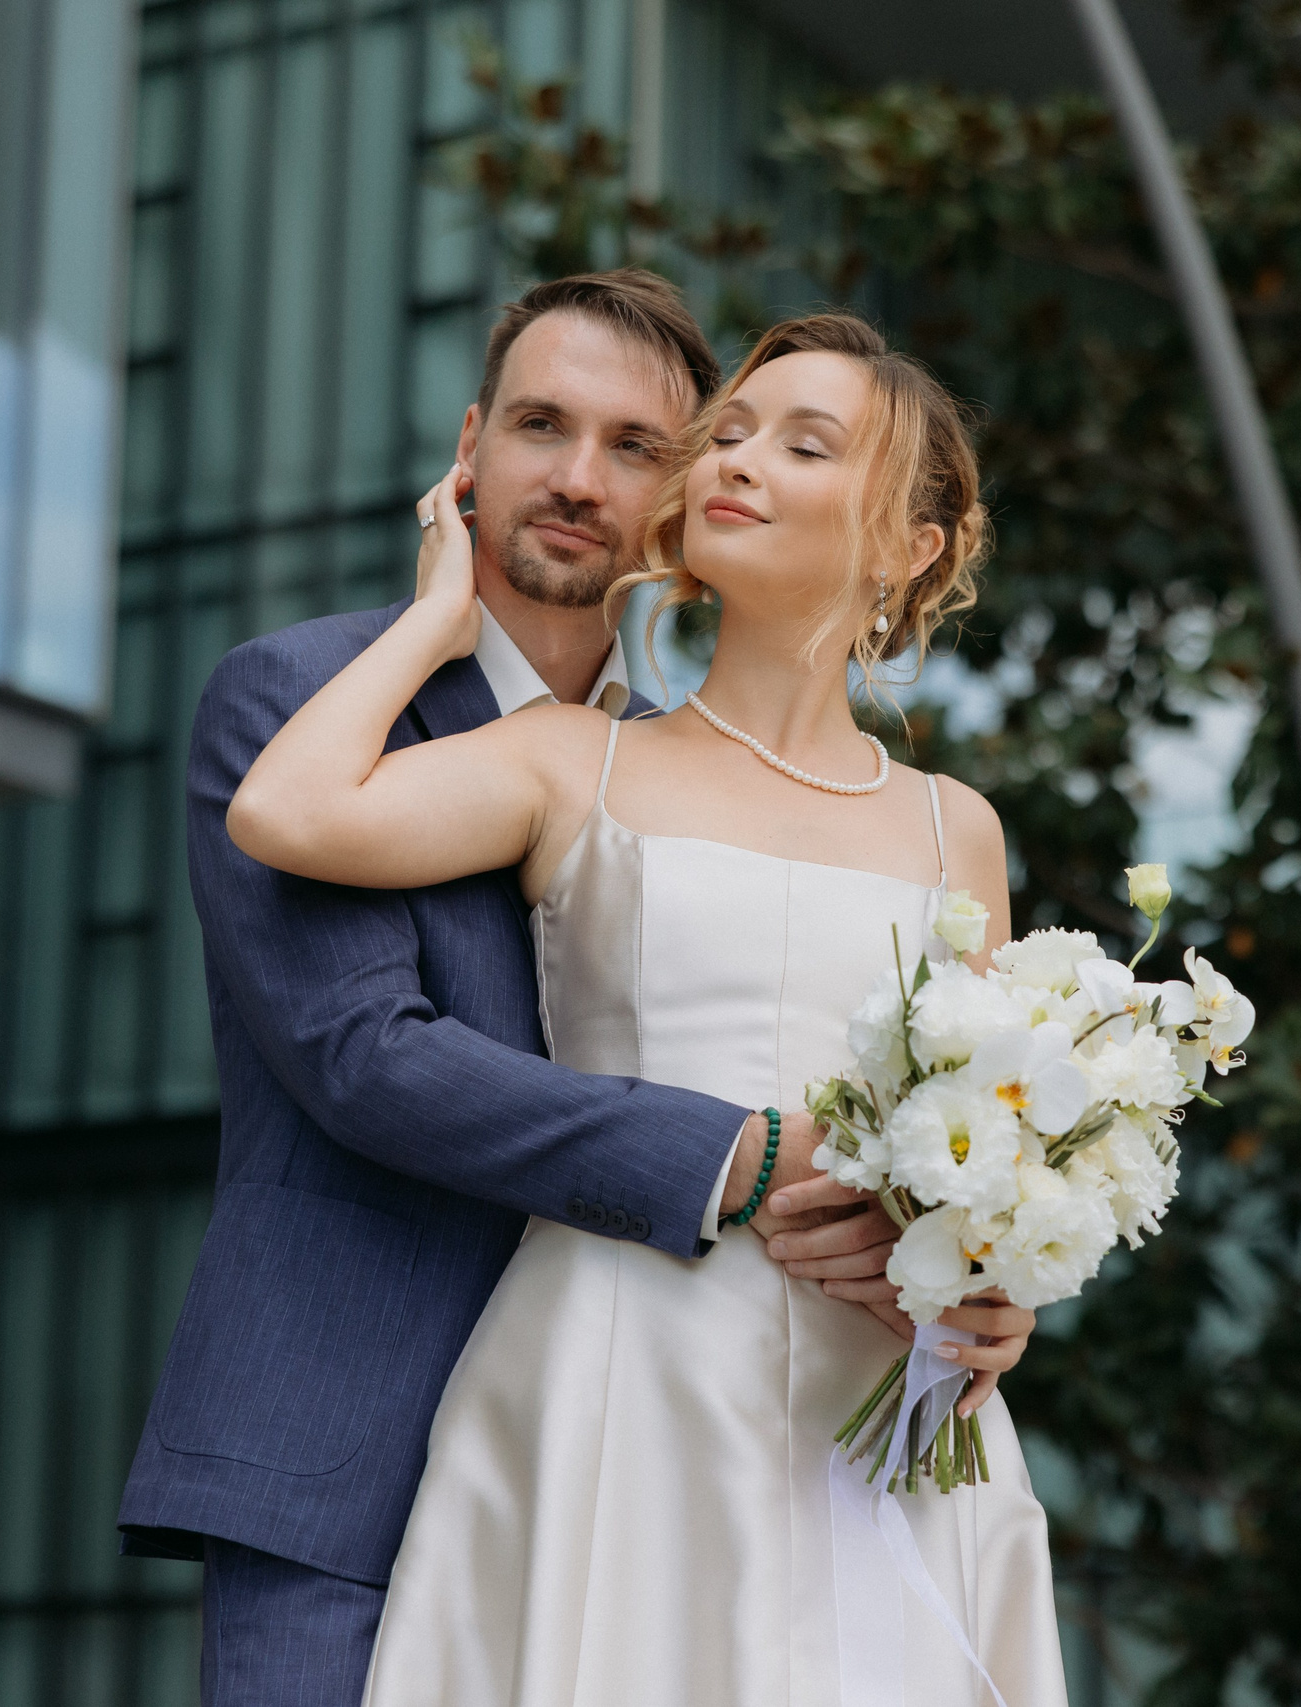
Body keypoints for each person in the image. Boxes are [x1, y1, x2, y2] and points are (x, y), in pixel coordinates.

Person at [116, 273, 1008, 1707]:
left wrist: (982, 1281)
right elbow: (363, 1058)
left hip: (687, 1433)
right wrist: (747, 1152)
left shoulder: (678, 770)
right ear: (470, 449)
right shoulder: (304, 697)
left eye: (639, 445)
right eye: (541, 425)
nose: (581, 477)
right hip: (346, 1438)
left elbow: (969, 1126)